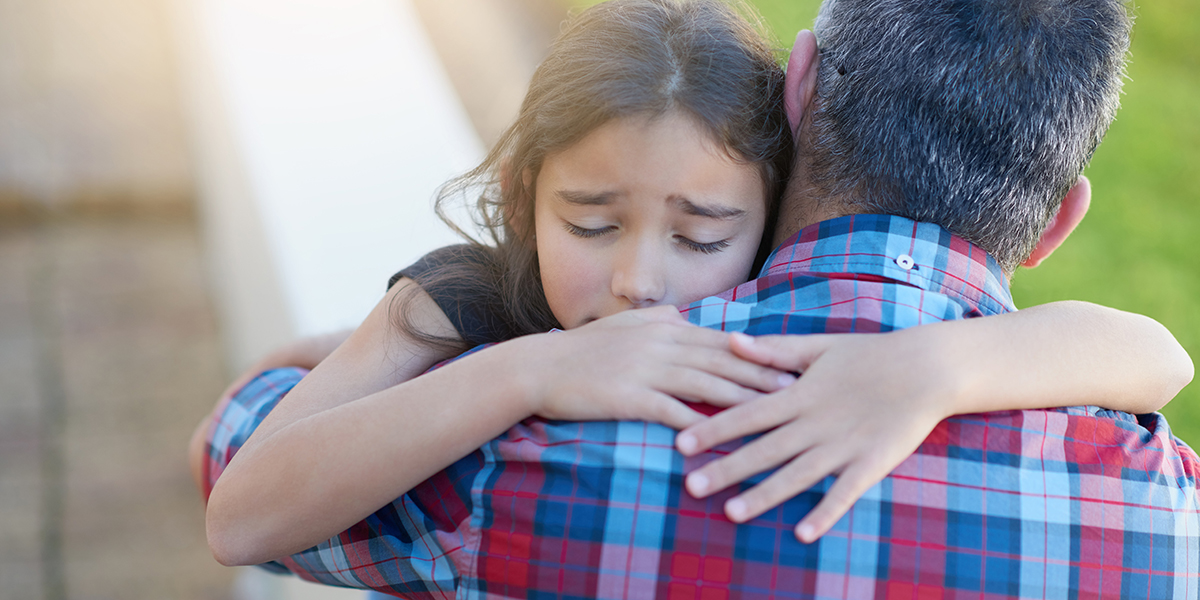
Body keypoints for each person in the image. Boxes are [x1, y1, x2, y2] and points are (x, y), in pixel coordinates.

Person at [193, 0, 1198, 596]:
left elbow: (235, 450)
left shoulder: (513, 450)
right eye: (594, 220)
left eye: (701, 234)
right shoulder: (1169, 517)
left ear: (797, 104)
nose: (640, 282)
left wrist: (935, 367)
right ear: (1063, 219)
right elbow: (1163, 361)